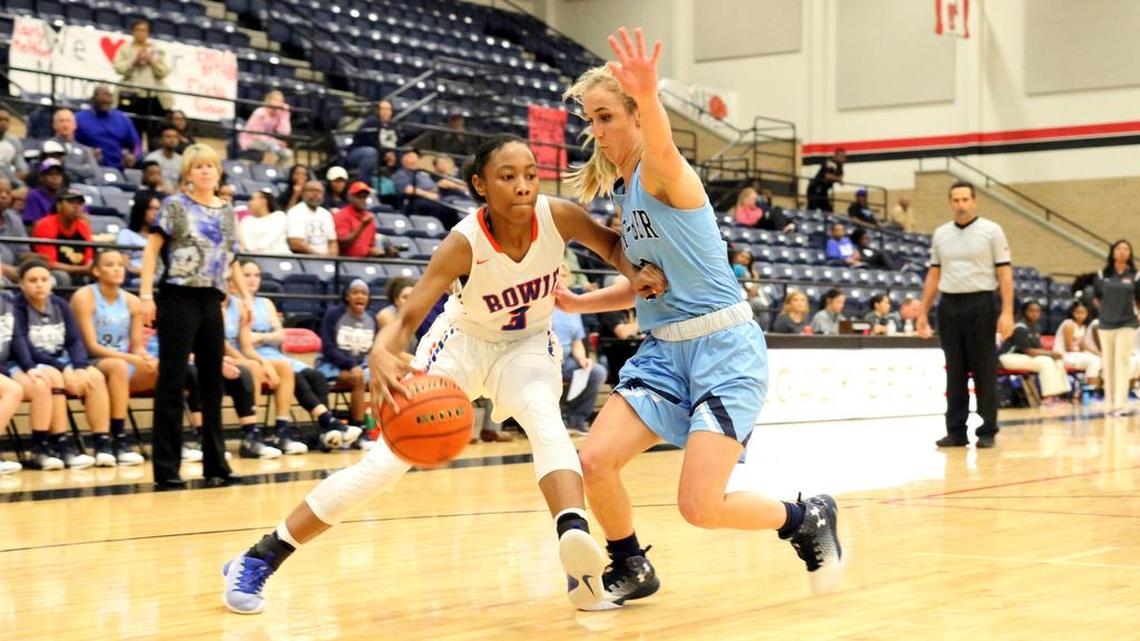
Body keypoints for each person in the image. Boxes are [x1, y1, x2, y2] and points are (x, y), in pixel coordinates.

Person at [220, 134, 663, 614]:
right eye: (507, 176)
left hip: (529, 343)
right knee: (384, 466)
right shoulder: (463, 243)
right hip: (462, 346)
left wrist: (635, 272)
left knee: (543, 416)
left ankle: (574, 540)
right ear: (480, 185)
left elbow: (613, 248)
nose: (523, 186)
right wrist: (379, 350)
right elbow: (408, 317)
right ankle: (260, 556)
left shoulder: (559, 216)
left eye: (531, 175)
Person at [556, 28, 842, 604]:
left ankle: (804, 518)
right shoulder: (626, 191)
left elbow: (659, 144)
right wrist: (581, 302)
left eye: (607, 116)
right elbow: (650, 287)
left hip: (723, 350)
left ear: (637, 115)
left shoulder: (664, 173)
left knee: (700, 508)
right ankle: (631, 565)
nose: (597, 131)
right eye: (591, 120)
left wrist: (650, 93)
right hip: (664, 350)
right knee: (594, 458)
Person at [139, 144, 252, 490]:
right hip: (177, 296)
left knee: (212, 385)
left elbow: (230, 258)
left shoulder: (228, 210)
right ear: (188, 173)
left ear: (218, 172)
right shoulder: (176, 205)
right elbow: (153, 248)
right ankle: (166, 467)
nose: (204, 171)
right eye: (198, 167)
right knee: (172, 382)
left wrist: (246, 296)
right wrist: (145, 294)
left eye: (210, 166)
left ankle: (216, 464)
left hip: (212, 300)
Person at [917, 180, 1013, 448]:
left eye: (965, 200)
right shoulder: (941, 234)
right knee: (955, 371)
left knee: (984, 370)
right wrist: (923, 311)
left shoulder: (992, 231)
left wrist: (1007, 311)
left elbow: (1004, 273)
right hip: (949, 305)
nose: (960, 205)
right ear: (950, 203)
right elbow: (934, 273)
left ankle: (987, 431)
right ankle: (956, 431)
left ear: (974, 201)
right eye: (955, 200)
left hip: (981, 303)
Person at [236, 260, 359, 450]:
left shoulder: (266, 303)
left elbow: (281, 335)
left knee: (316, 377)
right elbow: (244, 340)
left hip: (274, 353)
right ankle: (326, 422)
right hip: (252, 356)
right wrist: (266, 337)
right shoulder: (234, 304)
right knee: (295, 375)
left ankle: (325, 432)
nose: (253, 280)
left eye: (256, 275)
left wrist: (259, 336)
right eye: (247, 275)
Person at [13, 258, 122, 467]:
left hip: (61, 362)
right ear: (22, 284)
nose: (39, 284)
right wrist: (64, 368)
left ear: (51, 281)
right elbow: (24, 347)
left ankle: (102, 443)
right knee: (54, 377)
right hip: (34, 363)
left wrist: (79, 367)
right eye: (33, 280)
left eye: (44, 279)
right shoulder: (18, 307)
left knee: (95, 377)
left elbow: (74, 341)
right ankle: (60, 444)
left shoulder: (60, 304)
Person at [69, 250, 155, 463]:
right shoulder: (84, 296)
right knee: (118, 366)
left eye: (120, 264)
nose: (117, 269)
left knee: (164, 368)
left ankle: (178, 440)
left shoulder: (133, 301)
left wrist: (144, 357)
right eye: (110, 264)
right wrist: (130, 359)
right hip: (88, 361)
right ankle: (117, 438)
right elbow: (91, 346)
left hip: (121, 362)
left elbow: (136, 346)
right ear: (96, 270)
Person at [0, 286, 54, 474]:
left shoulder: (6, 299)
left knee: (41, 384)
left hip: (5, 365)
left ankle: (40, 449)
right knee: (13, 390)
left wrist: (29, 367)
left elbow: (16, 337)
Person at [311, 280, 375, 436]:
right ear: (347, 296)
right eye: (355, 293)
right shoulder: (334, 314)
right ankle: (359, 430)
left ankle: (379, 426)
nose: (360, 296)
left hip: (360, 366)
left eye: (364, 293)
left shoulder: (373, 319)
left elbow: (374, 349)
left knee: (382, 378)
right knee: (358, 377)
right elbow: (328, 348)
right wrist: (351, 364)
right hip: (331, 365)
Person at [552, 262, 608, 435]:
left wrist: (582, 359)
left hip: (567, 360)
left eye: (562, 276)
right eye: (555, 275)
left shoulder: (572, 308)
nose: (558, 279)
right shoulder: (538, 306)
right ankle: (555, 422)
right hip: (544, 358)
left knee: (597, 372)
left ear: (568, 279)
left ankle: (576, 420)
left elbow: (577, 341)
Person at [1092, 240, 1140, 416]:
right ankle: (1109, 403)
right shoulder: (1101, 275)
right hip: (1105, 324)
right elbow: (1097, 298)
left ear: (1130, 253)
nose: (1122, 252)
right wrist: (1106, 311)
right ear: (1113, 252)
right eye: (1118, 248)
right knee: (1108, 363)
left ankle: (1121, 404)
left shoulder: (1135, 276)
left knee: (1122, 362)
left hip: (1127, 323)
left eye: (1126, 249)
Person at [999, 301, 1072, 404]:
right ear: (1025, 312)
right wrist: (1050, 354)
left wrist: (1052, 355)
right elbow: (1029, 351)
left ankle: (1061, 395)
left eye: (1037, 311)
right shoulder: (1020, 327)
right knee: (1045, 361)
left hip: (1023, 357)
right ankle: (1048, 398)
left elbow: (1037, 349)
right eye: (1031, 311)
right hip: (1008, 357)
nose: (1035, 314)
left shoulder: (1036, 328)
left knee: (1057, 361)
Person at [113, 19, 171, 138]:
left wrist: (151, 61)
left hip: (153, 96)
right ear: (133, 32)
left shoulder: (156, 50)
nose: (141, 33)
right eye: (138, 30)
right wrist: (134, 61)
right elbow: (118, 68)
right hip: (131, 95)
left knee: (154, 131)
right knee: (132, 131)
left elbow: (164, 72)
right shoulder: (125, 48)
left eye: (144, 30)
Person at [32, 188, 94, 286]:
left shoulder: (83, 226)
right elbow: (49, 263)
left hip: (80, 272)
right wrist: (81, 269)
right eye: (71, 202)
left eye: (79, 203)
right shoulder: (45, 224)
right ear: (59, 205)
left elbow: (88, 259)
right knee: (61, 276)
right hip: (52, 273)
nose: (76, 206)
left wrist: (90, 268)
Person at [75, 85, 141, 169]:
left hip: (119, 167)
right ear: (93, 98)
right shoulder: (80, 118)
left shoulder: (122, 118)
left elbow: (136, 144)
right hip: (90, 167)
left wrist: (134, 156)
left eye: (109, 95)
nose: (106, 99)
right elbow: (71, 143)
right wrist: (87, 153)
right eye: (102, 95)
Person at [347, 99, 403, 180]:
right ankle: (364, 183)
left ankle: (398, 184)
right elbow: (371, 142)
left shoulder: (393, 126)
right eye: (383, 109)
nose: (386, 112)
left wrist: (393, 154)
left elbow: (398, 144)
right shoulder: (371, 123)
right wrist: (385, 155)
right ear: (378, 111)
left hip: (382, 154)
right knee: (371, 152)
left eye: (388, 109)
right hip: (358, 152)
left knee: (403, 155)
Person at [47, 108, 101, 183]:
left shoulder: (84, 149)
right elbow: (56, 170)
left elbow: (93, 171)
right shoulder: (49, 146)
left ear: (75, 125)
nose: (65, 124)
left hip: (83, 186)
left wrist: (66, 166)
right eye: (61, 121)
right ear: (54, 125)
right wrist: (82, 169)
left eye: (68, 121)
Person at [1052, 300, 1100, 384]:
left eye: (1083, 312)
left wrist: (1099, 354)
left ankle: (1100, 389)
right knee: (1094, 361)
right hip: (1064, 355)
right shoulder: (1069, 324)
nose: (1080, 315)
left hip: (1077, 354)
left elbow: (1085, 347)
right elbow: (1068, 348)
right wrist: (1082, 349)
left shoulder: (1084, 326)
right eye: (1077, 312)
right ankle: (1091, 388)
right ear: (1072, 313)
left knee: (1101, 360)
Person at [239, 90, 293, 165]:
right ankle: (266, 172)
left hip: (269, 142)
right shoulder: (260, 112)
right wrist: (277, 142)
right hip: (250, 140)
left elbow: (285, 132)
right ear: (269, 100)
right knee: (272, 146)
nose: (278, 103)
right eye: (276, 100)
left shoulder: (279, 114)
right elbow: (257, 134)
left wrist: (285, 114)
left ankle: (276, 171)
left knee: (287, 153)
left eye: (281, 101)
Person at [286, 181, 338, 256]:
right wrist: (319, 256)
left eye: (319, 191)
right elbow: (295, 243)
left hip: (326, 259)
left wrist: (331, 255)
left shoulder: (326, 214)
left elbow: (333, 242)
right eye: (311, 190)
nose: (316, 194)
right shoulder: (295, 212)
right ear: (303, 193)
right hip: (304, 259)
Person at [334, 182, 384, 257]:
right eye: (359, 197)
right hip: (347, 262)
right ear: (350, 197)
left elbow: (370, 245)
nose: (362, 200)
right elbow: (343, 243)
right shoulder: (341, 215)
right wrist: (362, 226)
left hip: (367, 262)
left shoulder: (368, 217)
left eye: (365, 197)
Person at [117, 191, 161, 274]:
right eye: (150, 208)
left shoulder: (161, 235)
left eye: (158, 209)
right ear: (140, 210)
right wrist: (146, 272)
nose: (155, 213)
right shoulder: (126, 234)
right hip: (134, 279)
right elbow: (125, 266)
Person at [239, 190, 290, 255]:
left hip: (279, 256)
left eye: (252, 199)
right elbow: (245, 241)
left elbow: (271, 237)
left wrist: (258, 250)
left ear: (263, 201)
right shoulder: (246, 220)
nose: (249, 203)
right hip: (253, 258)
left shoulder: (279, 216)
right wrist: (251, 252)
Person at [22, 158, 68, 226]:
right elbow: (35, 225)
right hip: (45, 234)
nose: (55, 178)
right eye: (51, 174)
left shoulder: (68, 195)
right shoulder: (34, 195)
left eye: (58, 174)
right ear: (42, 178)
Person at [0, 107, 28, 186]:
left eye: (6, 120)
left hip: (9, 183)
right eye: (0, 119)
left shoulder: (13, 141)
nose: (3, 123)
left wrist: (23, 172)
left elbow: (21, 166)